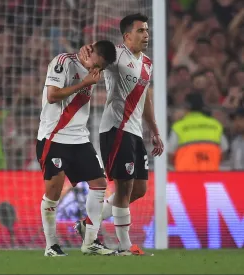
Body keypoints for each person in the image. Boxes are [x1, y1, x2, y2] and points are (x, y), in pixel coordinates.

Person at [76, 13, 164, 256]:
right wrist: (88, 51)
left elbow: (145, 99)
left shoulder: (147, 63)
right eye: (140, 31)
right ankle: (125, 246)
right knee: (124, 189)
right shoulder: (116, 55)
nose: (146, 35)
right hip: (115, 130)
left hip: (135, 133)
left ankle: (87, 224)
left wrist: (155, 131)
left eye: (147, 30)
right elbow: (95, 58)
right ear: (127, 36)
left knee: (140, 189)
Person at [37, 41, 117, 256]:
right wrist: (84, 83)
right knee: (53, 191)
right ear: (89, 51)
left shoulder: (96, 71)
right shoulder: (63, 62)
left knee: (100, 184)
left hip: (79, 139)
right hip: (53, 137)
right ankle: (51, 245)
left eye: (100, 68)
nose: (96, 71)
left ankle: (90, 241)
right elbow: (52, 96)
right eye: (96, 65)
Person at [168, 92, 228, 171]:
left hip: (185, 176)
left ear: (186, 108)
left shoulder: (179, 126)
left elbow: (169, 154)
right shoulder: (215, 125)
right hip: (211, 175)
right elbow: (224, 151)